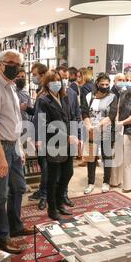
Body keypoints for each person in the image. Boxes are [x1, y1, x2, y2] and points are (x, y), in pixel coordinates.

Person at [0, 50, 35, 254]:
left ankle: (15, 226)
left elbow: (14, 120)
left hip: (12, 145)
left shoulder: (10, 87)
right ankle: (2, 238)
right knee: (0, 195)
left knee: (19, 188)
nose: (16, 67)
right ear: (0, 64)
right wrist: (2, 156)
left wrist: (18, 148)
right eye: (12, 63)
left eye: (19, 64)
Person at [36, 70, 78, 220]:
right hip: (53, 142)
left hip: (68, 142)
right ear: (47, 83)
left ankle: (60, 203)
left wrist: (75, 136)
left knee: (68, 173)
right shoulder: (43, 100)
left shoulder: (64, 97)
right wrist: (65, 136)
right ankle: (52, 209)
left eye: (59, 80)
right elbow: (44, 124)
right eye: (53, 80)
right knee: (53, 178)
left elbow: (71, 117)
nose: (57, 83)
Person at [81, 73, 118, 195]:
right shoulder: (88, 96)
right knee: (91, 157)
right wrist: (89, 126)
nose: (105, 86)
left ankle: (106, 182)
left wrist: (99, 126)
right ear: (97, 84)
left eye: (107, 84)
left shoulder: (113, 97)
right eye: (102, 84)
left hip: (106, 130)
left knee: (106, 156)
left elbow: (111, 115)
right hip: (91, 130)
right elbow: (84, 112)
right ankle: (90, 183)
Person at [110, 72, 131, 193]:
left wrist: (123, 122)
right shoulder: (123, 93)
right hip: (119, 128)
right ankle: (115, 181)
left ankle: (129, 185)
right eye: (127, 80)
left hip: (130, 129)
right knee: (116, 156)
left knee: (128, 159)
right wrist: (117, 122)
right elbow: (119, 109)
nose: (128, 82)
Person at [56, 66, 81, 207]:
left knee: (68, 170)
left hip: (70, 137)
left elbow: (77, 115)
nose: (65, 80)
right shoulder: (50, 94)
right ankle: (55, 197)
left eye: (67, 77)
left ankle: (63, 194)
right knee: (56, 172)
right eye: (62, 77)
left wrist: (78, 135)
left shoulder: (72, 93)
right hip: (56, 138)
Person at [29, 63, 50, 211]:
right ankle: (43, 191)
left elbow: (44, 118)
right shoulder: (40, 91)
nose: (33, 77)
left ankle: (45, 194)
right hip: (38, 133)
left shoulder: (47, 93)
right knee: (43, 166)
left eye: (35, 74)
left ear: (42, 75)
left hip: (46, 136)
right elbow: (37, 115)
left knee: (46, 167)